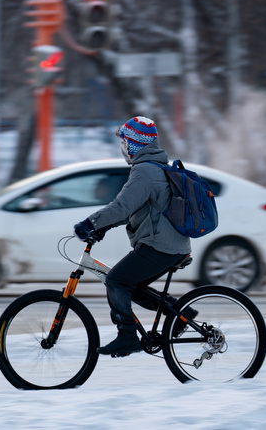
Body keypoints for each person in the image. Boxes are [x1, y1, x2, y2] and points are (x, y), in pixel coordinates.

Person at [73, 116, 193, 357]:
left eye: (125, 142)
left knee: (116, 281)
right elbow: (134, 210)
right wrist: (104, 227)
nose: (123, 148)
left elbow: (122, 206)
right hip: (169, 245)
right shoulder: (154, 168)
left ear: (134, 144)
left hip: (160, 246)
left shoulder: (145, 172)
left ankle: (127, 336)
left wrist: (90, 223)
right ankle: (180, 315)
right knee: (132, 286)